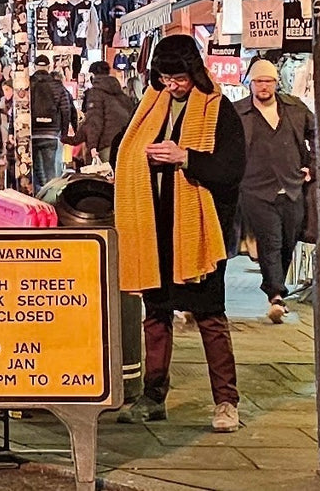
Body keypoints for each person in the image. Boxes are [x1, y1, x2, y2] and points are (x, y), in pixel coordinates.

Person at [113, 34, 245, 433]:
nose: (172, 84)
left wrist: (185, 157)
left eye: (178, 77)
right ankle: (153, 397)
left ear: (194, 70)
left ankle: (226, 402)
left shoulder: (218, 109)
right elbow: (126, 146)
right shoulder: (152, 105)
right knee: (155, 315)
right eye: (166, 77)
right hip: (155, 229)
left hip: (199, 234)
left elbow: (231, 168)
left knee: (209, 316)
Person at [234, 59, 313, 324]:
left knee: (289, 240)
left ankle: (275, 285)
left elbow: (319, 136)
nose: (263, 86)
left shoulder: (294, 108)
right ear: (251, 84)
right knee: (271, 240)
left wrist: (312, 167)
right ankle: (276, 295)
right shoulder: (238, 112)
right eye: (258, 81)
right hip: (255, 189)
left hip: (291, 185)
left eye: (268, 81)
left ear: (276, 83)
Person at [27, 54, 76, 192]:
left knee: (35, 171)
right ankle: (52, 202)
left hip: (32, 132)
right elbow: (66, 109)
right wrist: (64, 133)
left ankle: (38, 201)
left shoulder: (27, 84)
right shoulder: (57, 86)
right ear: (49, 67)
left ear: (35, 66)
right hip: (51, 133)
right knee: (51, 172)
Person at [80, 60, 138, 164]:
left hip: (106, 144)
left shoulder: (95, 93)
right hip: (124, 143)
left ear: (93, 75)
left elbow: (95, 121)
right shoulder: (122, 95)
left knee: (104, 176)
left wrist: (92, 146)